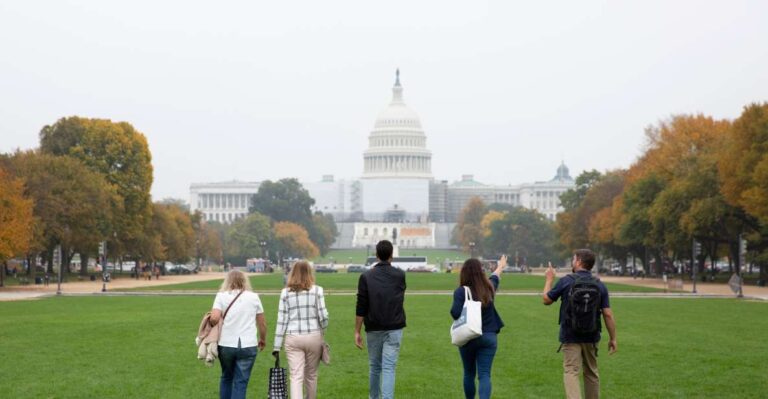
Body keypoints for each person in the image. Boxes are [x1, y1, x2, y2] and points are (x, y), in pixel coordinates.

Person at [542, 249, 617, 399]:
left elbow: (546, 300)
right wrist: (613, 338)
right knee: (591, 372)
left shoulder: (566, 281)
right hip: (592, 334)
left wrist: (549, 279)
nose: (572, 261)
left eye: (573, 259)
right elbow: (607, 314)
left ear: (578, 262)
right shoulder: (599, 285)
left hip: (570, 334)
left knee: (571, 371)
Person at [354, 240, 406, 399]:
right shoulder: (400, 275)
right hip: (394, 325)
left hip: (374, 325)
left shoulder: (366, 276)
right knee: (389, 367)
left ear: (376, 255)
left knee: (375, 367)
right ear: (392, 255)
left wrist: (357, 331)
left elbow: (361, 305)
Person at [450, 256, 506, 399]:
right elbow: (495, 277)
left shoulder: (461, 292)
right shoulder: (488, 288)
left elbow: (455, 313)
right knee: (484, 375)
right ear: (481, 272)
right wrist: (501, 266)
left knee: (469, 373)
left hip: (468, 336)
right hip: (489, 337)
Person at [272, 261, 329, 399]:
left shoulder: (285, 293)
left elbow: (281, 320)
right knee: (311, 375)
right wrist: (323, 329)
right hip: (313, 336)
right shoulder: (317, 290)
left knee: (296, 376)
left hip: (293, 337)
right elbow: (323, 316)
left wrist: (276, 346)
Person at [210, 270, 267, 399]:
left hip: (226, 344)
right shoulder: (254, 297)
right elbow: (262, 323)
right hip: (248, 344)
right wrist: (262, 339)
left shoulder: (221, 296)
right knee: (241, 382)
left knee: (226, 377)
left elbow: (214, 318)